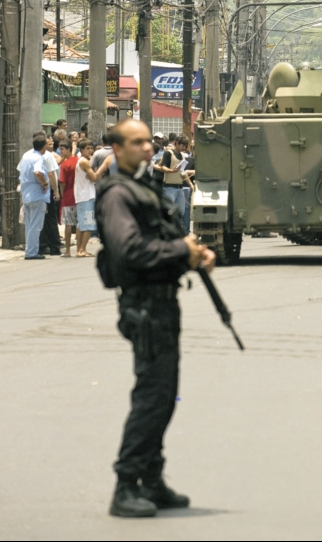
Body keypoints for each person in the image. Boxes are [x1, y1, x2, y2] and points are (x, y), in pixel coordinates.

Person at [95, 119, 214, 519]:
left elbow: (162, 238)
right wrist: (181, 251)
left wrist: (192, 252)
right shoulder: (117, 195)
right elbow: (130, 251)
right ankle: (126, 483)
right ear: (116, 148)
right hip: (143, 306)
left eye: (149, 141)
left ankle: (152, 478)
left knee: (164, 396)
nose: (147, 148)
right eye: (136, 142)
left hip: (162, 303)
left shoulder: (145, 186)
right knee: (152, 396)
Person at [74, 140, 112, 257]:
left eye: (91, 148)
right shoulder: (85, 162)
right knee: (89, 225)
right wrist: (101, 171)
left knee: (81, 224)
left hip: (82, 195)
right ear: (82, 149)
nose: (90, 150)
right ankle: (82, 250)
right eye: (88, 148)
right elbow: (94, 178)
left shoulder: (81, 160)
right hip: (87, 195)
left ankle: (79, 249)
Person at [18, 133, 51, 260]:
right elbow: (37, 172)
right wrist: (45, 183)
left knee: (30, 225)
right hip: (37, 194)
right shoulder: (39, 158)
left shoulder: (26, 155)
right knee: (36, 226)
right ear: (43, 146)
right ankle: (31, 252)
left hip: (27, 194)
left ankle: (30, 249)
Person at [38, 135, 62, 255]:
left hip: (41, 189)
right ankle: (53, 246)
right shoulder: (48, 156)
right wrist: (56, 191)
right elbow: (52, 175)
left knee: (40, 219)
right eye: (48, 143)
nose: (51, 144)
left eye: (52, 142)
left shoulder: (30, 155)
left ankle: (43, 245)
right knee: (50, 218)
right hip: (49, 188)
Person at [157, 134, 189, 217]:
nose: (184, 148)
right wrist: (172, 171)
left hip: (180, 187)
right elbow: (163, 167)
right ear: (177, 143)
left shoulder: (182, 156)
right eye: (183, 145)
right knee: (168, 211)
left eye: (186, 146)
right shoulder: (168, 153)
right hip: (169, 187)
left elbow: (183, 172)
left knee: (181, 211)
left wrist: (191, 185)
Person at [58, 140, 78, 256]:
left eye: (62, 149)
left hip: (68, 196)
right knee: (79, 223)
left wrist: (61, 194)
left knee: (68, 223)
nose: (60, 151)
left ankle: (68, 251)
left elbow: (62, 183)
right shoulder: (79, 161)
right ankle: (80, 248)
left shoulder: (65, 165)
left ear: (69, 150)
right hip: (79, 195)